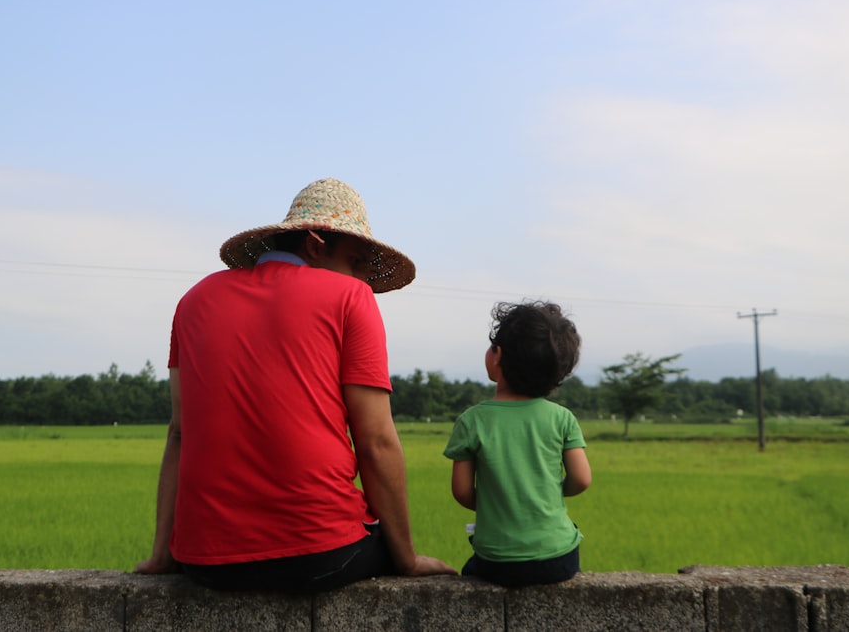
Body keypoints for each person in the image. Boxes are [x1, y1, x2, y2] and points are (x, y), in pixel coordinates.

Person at [135, 177, 456, 592]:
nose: (362, 278)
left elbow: (179, 433)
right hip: (319, 555)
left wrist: (164, 555)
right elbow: (375, 440)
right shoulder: (350, 298)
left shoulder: (194, 299)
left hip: (203, 562)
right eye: (357, 262)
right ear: (315, 245)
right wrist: (408, 560)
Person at [443, 300, 591, 587]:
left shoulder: (472, 421)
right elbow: (582, 480)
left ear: (497, 356)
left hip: (496, 562)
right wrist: (552, 493)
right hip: (558, 559)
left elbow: (462, 492)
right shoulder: (563, 418)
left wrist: (498, 503)